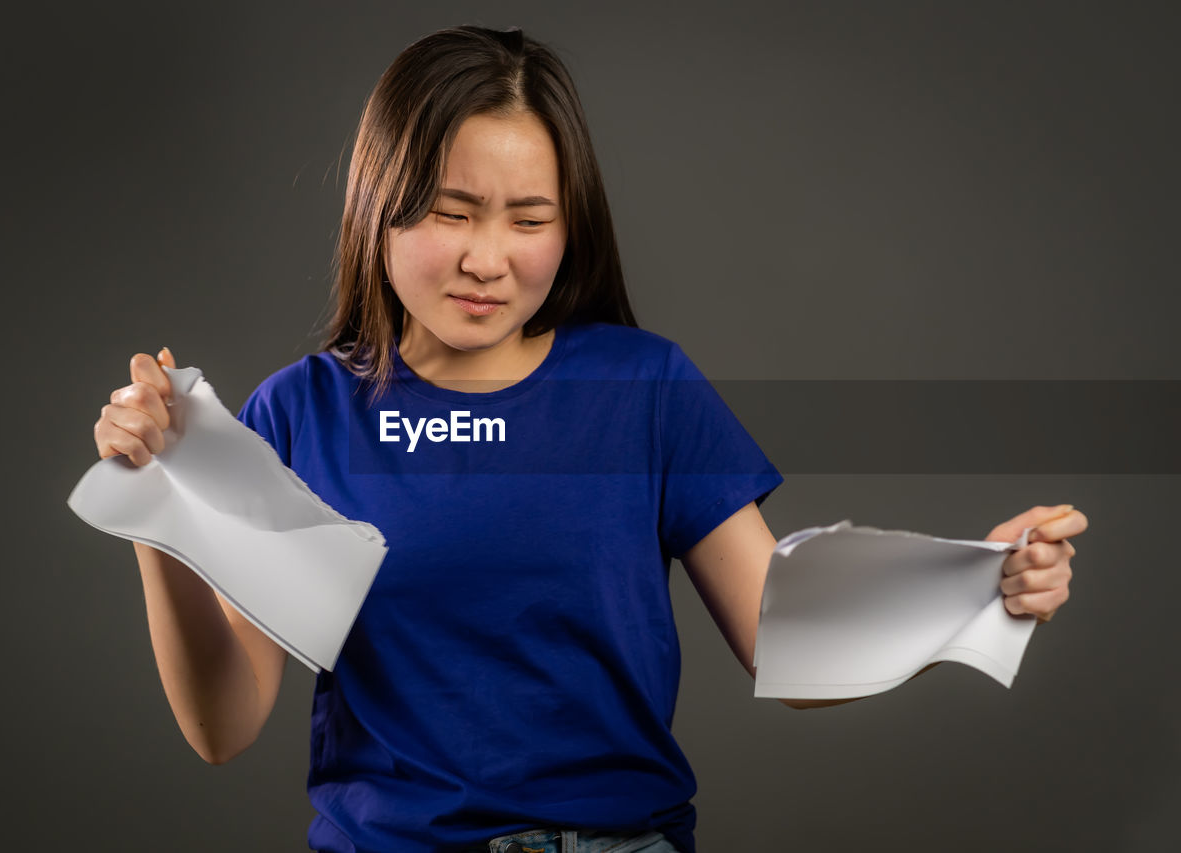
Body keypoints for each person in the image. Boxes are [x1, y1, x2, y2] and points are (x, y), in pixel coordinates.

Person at [90, 25, 1084, 853]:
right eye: (450, 210)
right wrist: (156, 505)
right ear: (376, 205)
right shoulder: (297, 414)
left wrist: (972, 587)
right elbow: (224, 729)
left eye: (529, 218)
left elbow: (785, 640)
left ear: (571, 228)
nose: (489, 258)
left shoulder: (642, 387)